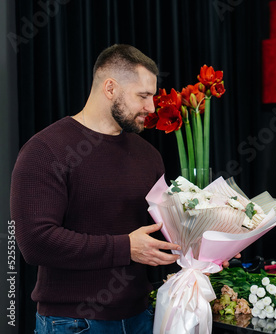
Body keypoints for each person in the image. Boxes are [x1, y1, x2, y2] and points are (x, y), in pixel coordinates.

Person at [11, 44, 183, 333]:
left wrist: (203, 246)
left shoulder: (148, 154)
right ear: (110, 88)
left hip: (142, 316)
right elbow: (35, 242)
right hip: (73, 323)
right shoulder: (45, 150)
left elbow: (158, 232)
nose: (151, 108)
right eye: (143, 96)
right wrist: (125, 247)